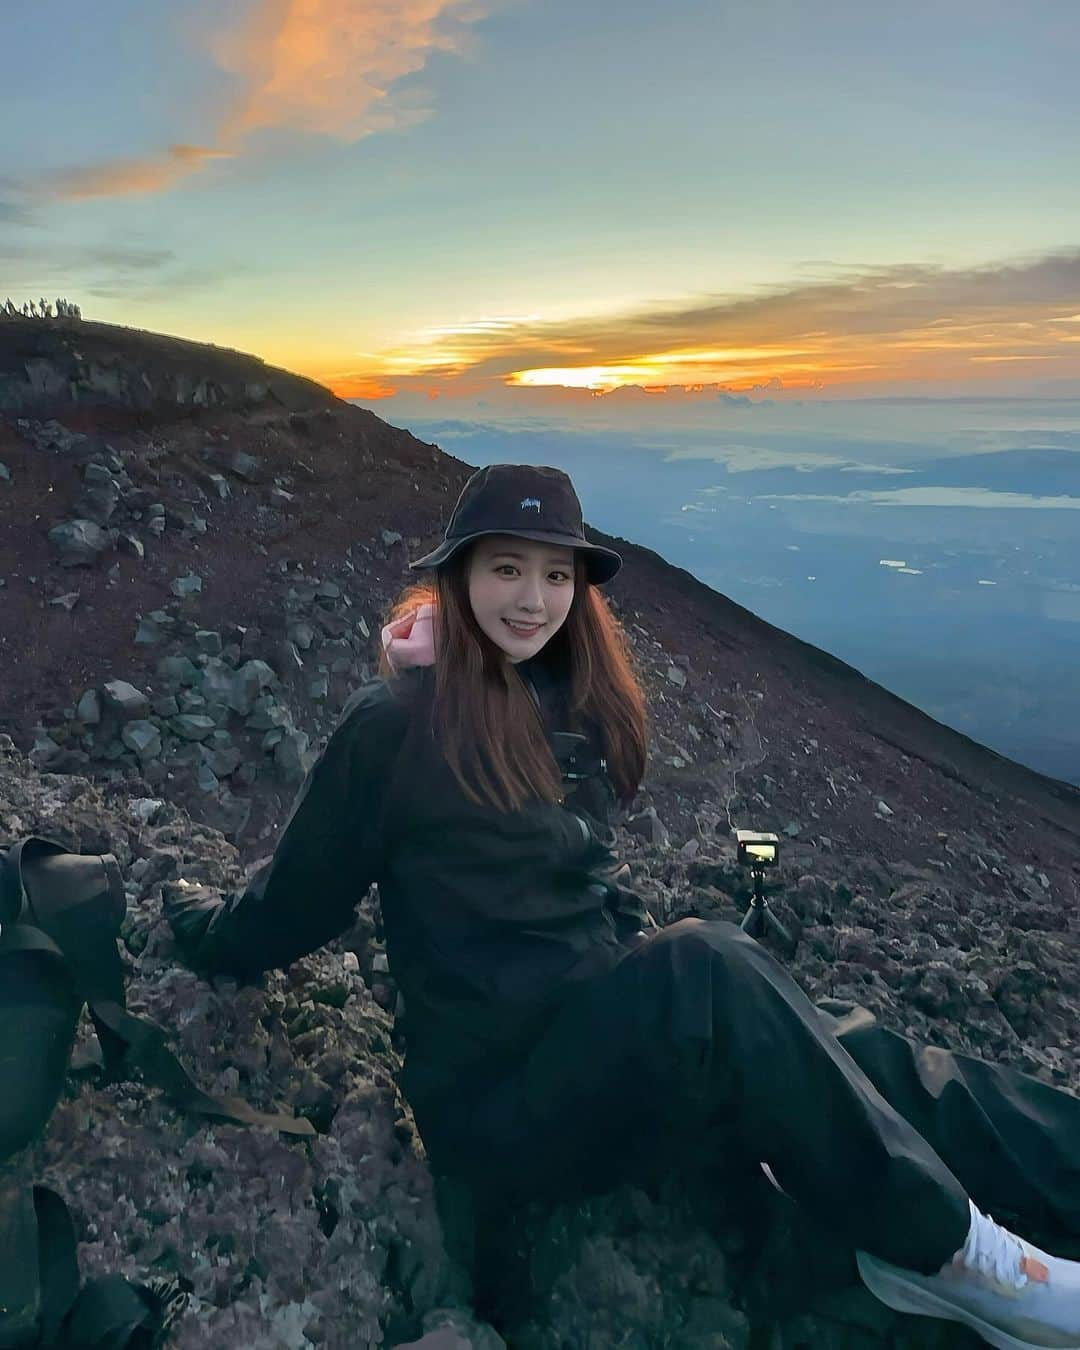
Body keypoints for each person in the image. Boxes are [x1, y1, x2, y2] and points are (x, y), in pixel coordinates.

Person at [167, 463, 1080, 1349]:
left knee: (845, 1039)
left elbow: (584, 894)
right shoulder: (393, 725)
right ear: (459, 575)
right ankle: (959, 1260)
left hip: (593, 1037)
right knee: (710, 970)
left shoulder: (566, 703)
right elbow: (296, 902)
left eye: (556, 574)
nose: (532, 598)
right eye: (507, 568)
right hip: (499, 1107)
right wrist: (197, 921)